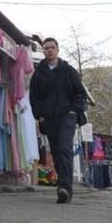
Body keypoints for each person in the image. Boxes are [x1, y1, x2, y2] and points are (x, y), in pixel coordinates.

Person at [30, 37, 87, 204]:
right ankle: (63, 186)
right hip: (49, 118)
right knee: (55, 152)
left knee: (64, 149)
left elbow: (80, 92)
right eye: (46, 48)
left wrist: (75, 111)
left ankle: (65, 188)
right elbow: (34, 97)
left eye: (52, 47)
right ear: (43, 51)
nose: (49, 50)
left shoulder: (68, 70)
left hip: (67, 116)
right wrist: (39, 115)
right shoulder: (38, 73)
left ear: (57, 49)